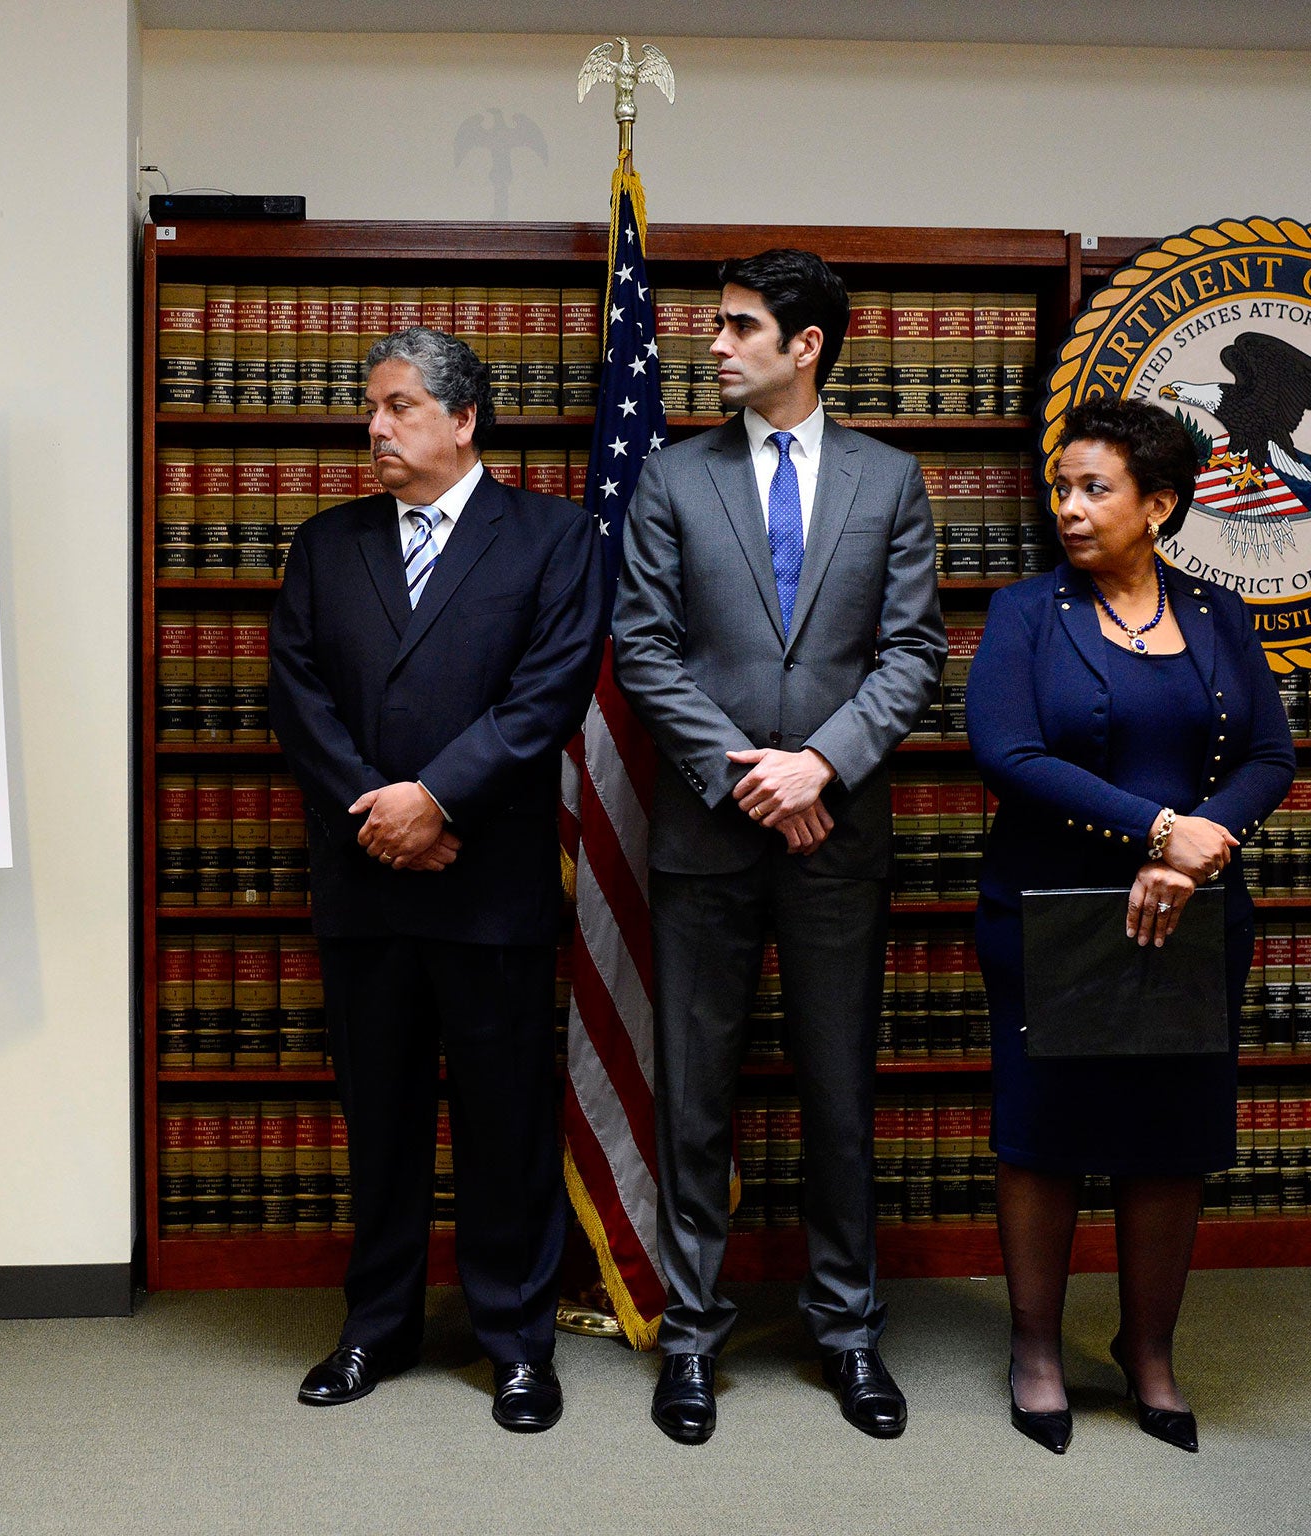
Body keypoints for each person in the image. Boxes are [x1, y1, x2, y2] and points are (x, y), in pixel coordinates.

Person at [613, 249, 946, 1444]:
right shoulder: (668, 475)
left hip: (837, 833)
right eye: (713, 326)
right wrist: (749, 773)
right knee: (695, 1097)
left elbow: (911, 651)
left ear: (806, 346)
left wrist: (821, 764)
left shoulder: (889, 478)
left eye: (739, 327)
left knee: (836, 1093)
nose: (712, 345)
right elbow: (641, 646)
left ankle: (846, 1332)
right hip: (706, 834)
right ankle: (690, 1338)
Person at [268, 326, 605, 1433]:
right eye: (372, 407)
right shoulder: (325, 545)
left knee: (505, 1123)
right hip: (367, 880)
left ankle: (516, 1342)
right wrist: (383, 812)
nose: (374, 427)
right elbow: (298, 698)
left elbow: (546, 696)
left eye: (399, 406)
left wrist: (437, 802)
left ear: (462, 421)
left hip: (489, 882)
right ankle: (377, 1327)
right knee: (381, 1116)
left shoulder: (554, 539)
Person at [966, 395, 1292, 1454]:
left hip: (1193, 919)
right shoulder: (1024, 612)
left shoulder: (1217, 614)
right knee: (1046, 1136)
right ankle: (1035, 1355)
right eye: (1059, 486)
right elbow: (1006, 753)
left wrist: (1197, 850)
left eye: (1092, 489)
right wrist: (1158, 832)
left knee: (1167, 1138)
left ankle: (1146, 1354)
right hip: (1049, 910)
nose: (1065, 506)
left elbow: (1266, 757)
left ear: (1155, 505)